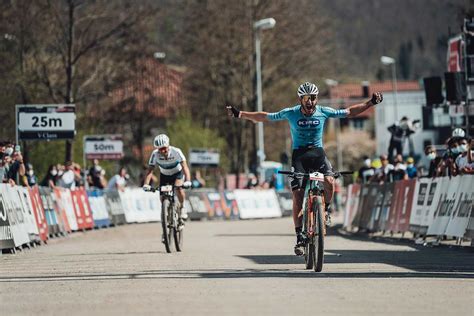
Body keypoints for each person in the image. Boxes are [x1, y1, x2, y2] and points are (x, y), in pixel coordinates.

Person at [226, 82, 383, 256]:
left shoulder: (323, 111)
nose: (310, 102)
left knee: (330, 180)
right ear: (301, 99)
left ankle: (326, 210)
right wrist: (240, 114)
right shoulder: (291, 113)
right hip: (299, 156)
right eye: (306, 98)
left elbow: (349, 112)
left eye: (313, 98)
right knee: (298, 193)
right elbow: (265, 117)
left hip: (318, 154)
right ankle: (299, 236)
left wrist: (370, 103)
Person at [143, 134, 192, 223]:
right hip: (165, 175)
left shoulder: (176, 151)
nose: (163, 150)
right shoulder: (155, 154)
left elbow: (185, 167)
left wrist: (188, 181)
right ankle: (166, 218)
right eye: (160, 149)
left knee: (179, 189)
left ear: (168, 145)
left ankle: (182, 207)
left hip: (177, 173)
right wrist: (146, 184)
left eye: (165, 148)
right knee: (162, 197)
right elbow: (150, 170)